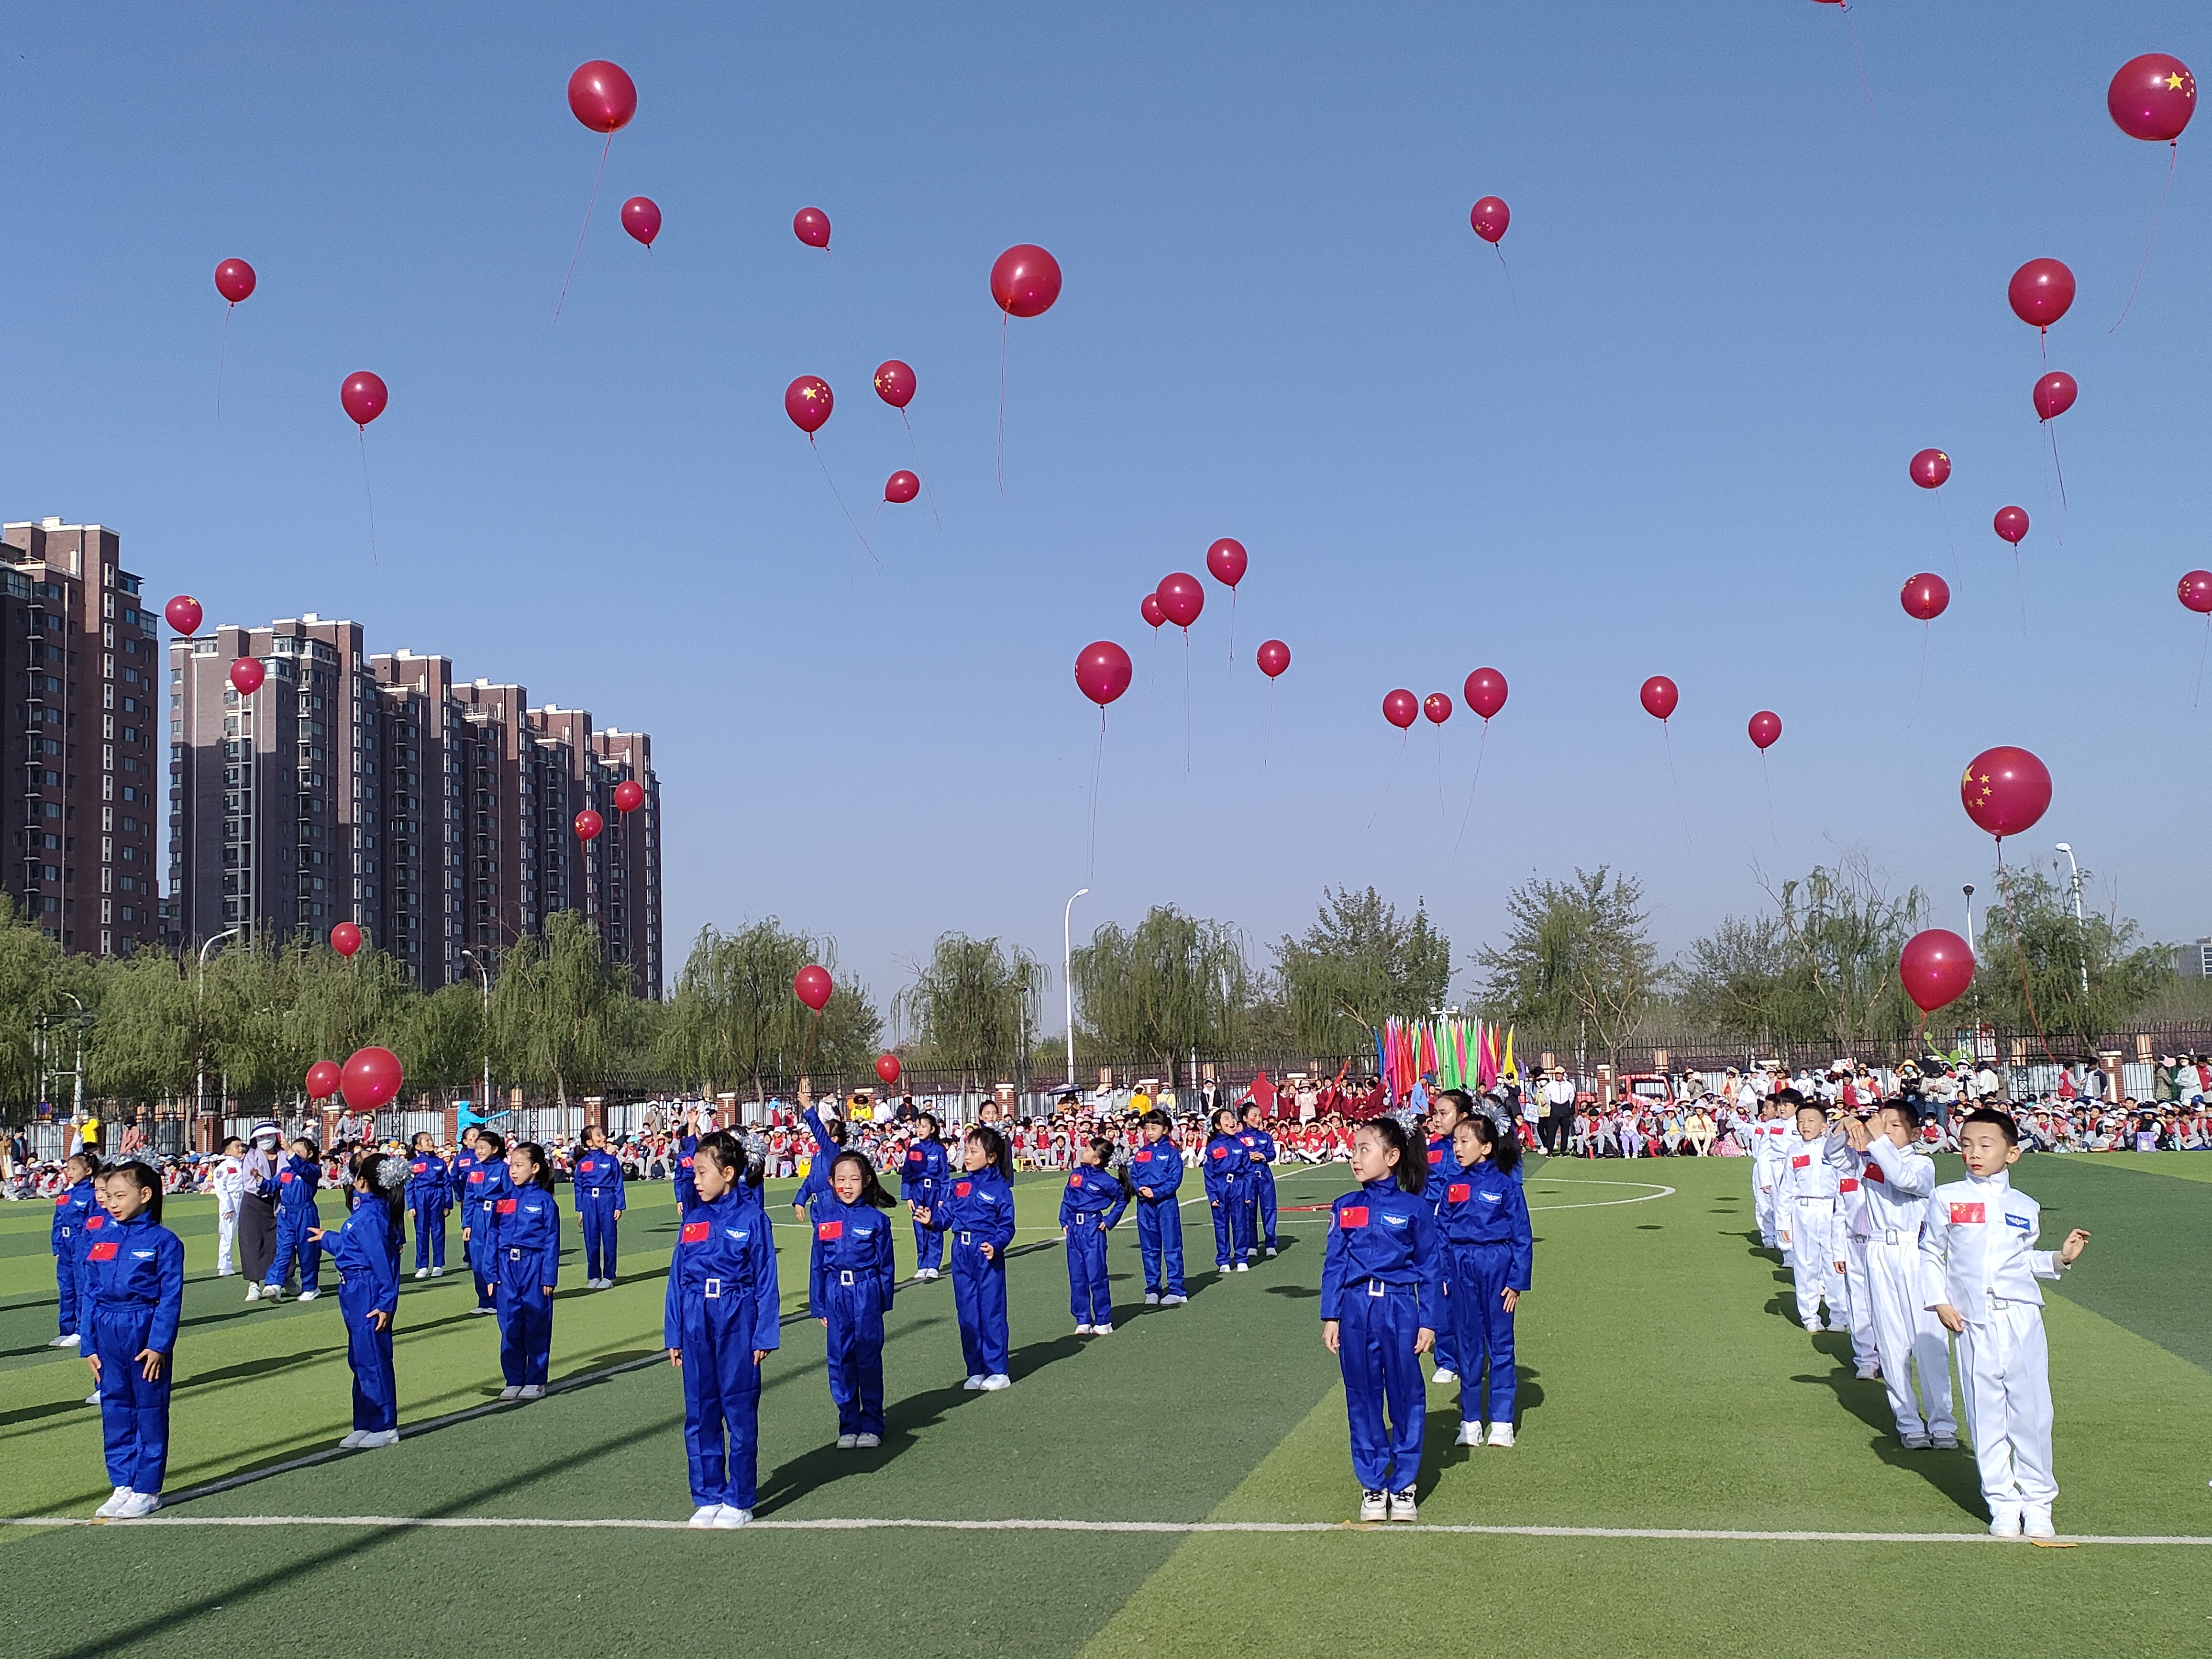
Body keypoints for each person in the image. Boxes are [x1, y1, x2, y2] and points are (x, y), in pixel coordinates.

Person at [1922, 1108, 2091, 1539]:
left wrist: (2059, 1259)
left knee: (2033, 1412)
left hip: (2021, 1316)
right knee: (1985, 1414)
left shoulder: (2025, 1206)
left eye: (1985, 1145)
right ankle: (2002, 1502)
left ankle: (2038, 1503)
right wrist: (1939, 1301)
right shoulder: (1946, 1197)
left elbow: (2022, 1261)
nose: (1974, 1154)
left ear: (2012, 1153)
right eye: (1966, 1145)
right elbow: (1930, 1253)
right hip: (1971, 1321)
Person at [1320, 1117, 1442, 1523]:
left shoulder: (1415, 1209)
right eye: (1353, 1150)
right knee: (1362, 1394)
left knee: (1406, 1393)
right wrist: (1331, 1315)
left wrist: (1429, 1321)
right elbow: (1335, 1265)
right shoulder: (1345, 1206)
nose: (1355, 1158)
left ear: (1392, 1157)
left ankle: (1404, 1483)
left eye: (1364, 1149)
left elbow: (1430, 1267)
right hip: (1356, 1310)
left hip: (1400, 1308)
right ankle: (1373, 1483)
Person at [667, 1129, 780, 1528]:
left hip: (736, 1314)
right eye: (694, 1173)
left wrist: (764, 1333)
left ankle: (740, 1498)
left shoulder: (752, 1218)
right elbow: (677, 1279)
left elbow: (766, 1278)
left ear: (728, 1173)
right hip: (696, 1315)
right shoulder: (693, 1220)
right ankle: (708, 1494)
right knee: (700, 1410)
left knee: (738, 1408)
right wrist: (675, 1333)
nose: (695, 1180)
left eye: (702, 1172)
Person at [1834, 1104, 1957, 1449]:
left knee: (1928, 1340)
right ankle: (1909, 1422)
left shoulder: (1922, 1164)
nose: (1885, 1130)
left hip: (1915, 1251)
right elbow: (1834, 1155)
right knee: (1890, 1340)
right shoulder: (1869, 1159)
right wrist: (1846, 1125)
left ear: (1915, 1134)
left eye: (1895, 1126)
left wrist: (1877, 1142)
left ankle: (1942, 1423)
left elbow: (1905, 1180)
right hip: (1878, 1250)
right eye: (1881, 1123)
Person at [82, 1160, 184, 1519]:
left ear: (145, 1195)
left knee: (149, 1410)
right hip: (106, 1330)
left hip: (142, 1328)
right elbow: (90, 1293)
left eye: (120, 1196)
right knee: (115, 1408)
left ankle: (147, 1489)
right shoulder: (101, 1238)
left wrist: (158, 1345)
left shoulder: (164, 1242)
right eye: (108, 1196)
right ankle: (122, 1483)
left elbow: (170, 1298)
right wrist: (88, 1345)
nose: (111, 1203)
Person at [1439, 1112, 1533, 1448]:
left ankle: (1503, 1421)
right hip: (1461, 1266)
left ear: (1487, 1147)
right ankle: (1470, 1421)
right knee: (1467, 1343)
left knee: (1500, 1343)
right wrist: (1445, 1274)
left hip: (1497, 1265)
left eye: (1465, 1141)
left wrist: (1517, 1281)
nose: (1458, 1148)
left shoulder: (1506, 1186)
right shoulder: (1453, 1185)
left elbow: (1522, 1236)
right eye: (1455, 1142)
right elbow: (1442, 1232)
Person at [312, 1150, 404, 1449]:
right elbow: (352, 1248)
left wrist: (385, 1303)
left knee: (373, 1358)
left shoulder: (370, 1217)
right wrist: (326, 1238)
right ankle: (364, 1422)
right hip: (352, 1289)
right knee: (360, 1358)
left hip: (367, 1290)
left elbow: (383, 1264)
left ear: (363, 1182)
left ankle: (385, 1425)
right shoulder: (365, 1213)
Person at [807, 1149, 898, 1449]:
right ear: (831, 1182)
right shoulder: (825, 1220)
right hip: (835, 1293)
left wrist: (882, 1301)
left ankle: (872, 1423)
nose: (847, 1186)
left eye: (854, 1179)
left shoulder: (877, 1220)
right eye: (841, 1180)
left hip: (866, 1292)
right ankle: (849, 1424)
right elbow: (817, 1265)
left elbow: (886, 1265)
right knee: (840, 1359)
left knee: (868, 1358)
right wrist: (819, 1305)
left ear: (867, 1181)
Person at [915, 1125, 1017, 1391]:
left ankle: (998, 1371)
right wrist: (931, 1221)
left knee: (991, 1311)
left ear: (991, 1157)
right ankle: (976, 1369)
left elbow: (1007, 1226)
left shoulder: (1000, 1189)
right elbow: (947, 1216)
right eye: (966, 1150)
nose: (967, 1156)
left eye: (974, 1151)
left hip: (985, 1252)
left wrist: (996, 1245)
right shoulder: (959, 1185)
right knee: (967, 1313)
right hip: (961, 1251)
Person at [493, 1142, 560, 1401]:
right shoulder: (503, 1200)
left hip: (534, 1265)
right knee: (510, 1323)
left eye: (519, 1165)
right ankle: (514, 1379)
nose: (513, 1170)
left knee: (536, 1323)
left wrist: (548, 1276)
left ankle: (535, 1379)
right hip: (506, 1267)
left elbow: (552, 1241)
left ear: (535, 1168)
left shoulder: (545, 1201)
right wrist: (490, 1272)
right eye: (512, 1165)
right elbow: (493, 1235)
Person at [1775, 1095, 1843, 1334]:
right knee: (1805, 1265)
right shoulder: (1794, 1151)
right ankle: (1810, 1316)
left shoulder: (1834, 1150)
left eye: (1812, 1121)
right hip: (1802, 1211)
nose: (1805, 1125)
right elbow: (1786, 1188)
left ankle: (1839, 1315)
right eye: (1801, 1121)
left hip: (1830, 1210)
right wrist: (1783, 1222)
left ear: (1824, 1126)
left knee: (1834, 1264)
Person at [1421, 1090, 1475, 1387]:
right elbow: (1421, 1189)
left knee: (1468, 1297)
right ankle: (1446, 1360)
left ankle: (1473, 1354)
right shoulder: (1431, 1148)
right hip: (1434, 1235)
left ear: (1463, 1117)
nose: (1437, 1119)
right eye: (1435, 1113)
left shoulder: (1472, 1150)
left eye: (1444, 1113)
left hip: (1463, 1233)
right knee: (1439, 1293)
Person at [1061, 1135, 1130, 1335]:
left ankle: (1103, 1320)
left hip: (1092, 1228)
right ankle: (1083, 1319)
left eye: (1088, 1150)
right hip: (1074, 1229)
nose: (1083, 1151)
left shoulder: (1105, 1180)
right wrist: (1064, 1221)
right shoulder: (1076, 1174)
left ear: (1097, 1160)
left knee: (1097, 1275)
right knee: (1077, 1277)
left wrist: (1108, 1220)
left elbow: (1123, 1198)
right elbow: (1067, 1198)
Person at [1132, 1108, 1187, 1305]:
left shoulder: (1172, 1153)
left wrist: (1156, 1192)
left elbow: (1175, 1180)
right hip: (1145, 1206)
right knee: (1149, 1249)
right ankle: (1153, 1289)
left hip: (1166, 1204)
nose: (1149, 1132)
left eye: (1154, 1128)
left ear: (1165, 1129)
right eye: (1147, 1128)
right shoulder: (1141, 1153)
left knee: (1172, 1247)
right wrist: (1139, 1189)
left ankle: (1177, 1290)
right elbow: (1134, 1175)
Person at [261, 1137, 324, 1304]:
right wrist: (259, 1179)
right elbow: (271, 1186)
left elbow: (302, 1169)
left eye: (299, 1152)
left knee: (308, 1252)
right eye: (292, 1151)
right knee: (283, 1250)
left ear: (310, 1154)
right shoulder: (286, 1171)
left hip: (306, 1214)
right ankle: (274, 1284)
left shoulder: (313, 1170)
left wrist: (289, 1150)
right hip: (286, 1215)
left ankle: (311, 1287)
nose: (293, 1154)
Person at [48, 1152, 101, 1349]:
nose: (69, 1172)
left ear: (88, 1171)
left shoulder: (92, 1195)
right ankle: (66, 1329)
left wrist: (90, 1248)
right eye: (68, 1168)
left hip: (82, 1245)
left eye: (74, 1169)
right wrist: (57, 1246)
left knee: (82, 1287)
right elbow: (58, 1222)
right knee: (66, 1288)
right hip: (66, 1246)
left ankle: (82, 1330)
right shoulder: (66, 1195)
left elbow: (95, 1224)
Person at [460, 1129, 509, 1316]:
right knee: (478, 1259)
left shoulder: (504, 1169)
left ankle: (498, 1300)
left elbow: (510, 1196)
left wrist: (506, 1221)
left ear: (495, 1149)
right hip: (478, 1216)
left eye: (483, 1148)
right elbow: (469, 1197)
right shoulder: (475, 1170)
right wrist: (467, 1224)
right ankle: (483, 1299)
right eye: (477, 1148)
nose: (479, 1151)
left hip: (497, 1215)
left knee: (495, 1258)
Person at [573, 1124, 626, 1289]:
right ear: (589, 1142)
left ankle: (609, 1276)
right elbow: (579, 1187)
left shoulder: (611, 1161)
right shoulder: (583, 1163)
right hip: (589, 1201)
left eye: (602, 1134)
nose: (602, 1137)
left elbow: (618, 1183)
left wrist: (619, 1206)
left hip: (607, 1199)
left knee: (609, 1238)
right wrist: (581, 1209)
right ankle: (594, 1275)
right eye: (598, 1135)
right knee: (591, 1239)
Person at [898, 1114, 951, 1281]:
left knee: (934, 1225)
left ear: (932, 1129)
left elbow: (945, 1176)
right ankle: (922, 1265)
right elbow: (907, 1174)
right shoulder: (913, 1150)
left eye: (924, 1127)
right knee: (919, 1228)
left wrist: (943, 1197)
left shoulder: (939, 1150)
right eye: (917, 1127)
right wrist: (908, 1197)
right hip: (918, 1191)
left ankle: (934, 1265)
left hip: (934, 1191)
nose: (920, 1130)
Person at [1202, 1107, 1250, 1274]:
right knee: (1221, 1225)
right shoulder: (1213, 1147)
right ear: (1218, 1126)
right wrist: (1212, 1194)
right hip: (1220, 1186)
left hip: (1238, 1186)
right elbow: (1208, 1173)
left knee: (1240, 1223)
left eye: (1232, 1118)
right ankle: (1223, 1259)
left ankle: (1241, 1258)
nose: (1232, 1122)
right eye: (1226, 1119)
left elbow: (1249, 1171)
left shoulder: (1240, 1145)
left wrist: (1248, 1192)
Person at [239, 1122, 284, 1298]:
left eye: (269, 1136)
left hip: (278, 1202)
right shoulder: (251, 1156)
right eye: (261, 1137)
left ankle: (285, 1278)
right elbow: (250, 1183)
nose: (266, 1140)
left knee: (280, 1242)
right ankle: (254, 1284)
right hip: (254, 1203)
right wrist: (269, 1186)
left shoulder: (283, 1155)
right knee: (253, 1243)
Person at [1236, 1100, 1280, 1260]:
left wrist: (1261, 1155)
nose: (1258, 1119)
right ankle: (1252, 1245)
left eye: (1260, 1115)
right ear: (1245, 1118)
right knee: (1249, 1210)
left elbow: (1272, 1154)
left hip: (1265, 1177)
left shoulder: (1265, 1137)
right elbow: (1236, 1155)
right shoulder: (1238, 1138)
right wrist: (1247, 1157)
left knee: (1269, 1209)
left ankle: (1271, 1244)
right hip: (1247, 1178)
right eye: (1254, 1116)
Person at [405, 1131, 449, 1281]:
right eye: (427, 1141)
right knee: (421, 1231)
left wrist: (447, 1204)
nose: (431, 1143)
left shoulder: (440, 1163)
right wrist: (411, 1206)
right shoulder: (413, 1164)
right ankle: (422, 1266)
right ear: (418, 1147)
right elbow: (409, 1187)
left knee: (438, 1230)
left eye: (431, 1140)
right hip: (420, 1197)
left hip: (437, 1196)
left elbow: (447, 1184)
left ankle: (438, 1265)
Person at [211, 1137, 246, 1277]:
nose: (240, 1149)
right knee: (228, 1234)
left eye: (241, 1146)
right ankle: (225, 1266)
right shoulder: (223, 1167)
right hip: (231, 1200)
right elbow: (221, 1189)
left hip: (245, 1199)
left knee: (248, 1233)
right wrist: (228, 1206)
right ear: (228, 1151)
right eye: (236, 1147)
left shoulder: (245, 1164)